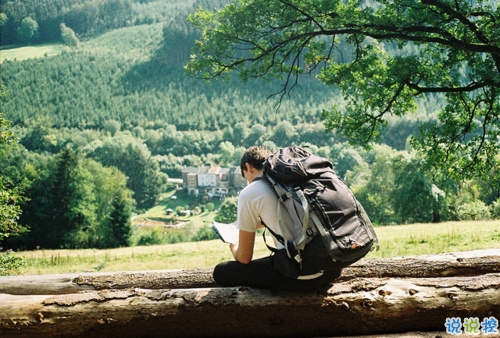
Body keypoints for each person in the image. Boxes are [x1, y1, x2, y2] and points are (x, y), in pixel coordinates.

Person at [213, 146, 344, 292]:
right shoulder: (293, 179)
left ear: (248, 167)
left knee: (221, 271)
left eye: (246, 178)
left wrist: (232, 243)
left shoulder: (249, 193)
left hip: (298, 277)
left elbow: (244, 257)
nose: (248, 183)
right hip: (332, 268)